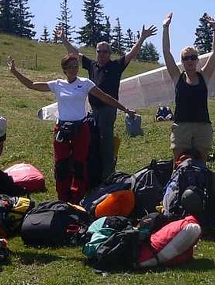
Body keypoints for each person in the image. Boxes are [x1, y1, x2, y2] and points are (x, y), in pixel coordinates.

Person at [7, 53, 137, 203]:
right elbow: (32, 85)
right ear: (64, 69)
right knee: (61, 164)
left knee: (79, 164)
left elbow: (105, 97)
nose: (74, 69)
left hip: (81, 128)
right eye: (70, 67)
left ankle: (77, 197)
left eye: (76, 66)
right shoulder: (57, 84)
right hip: (62, 128)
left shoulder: (85, 83)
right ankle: (63, 197)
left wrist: (125, 109)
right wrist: (15, 72)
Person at [56, 24, 157, 183]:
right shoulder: (92, 66)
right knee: (92, 140)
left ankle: (107, 177)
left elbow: (131, 54)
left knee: (106, 142)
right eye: (99, 51)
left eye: (105, 52)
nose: (102, 54)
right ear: (96, 53)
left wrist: (142, 38)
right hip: (93, 110)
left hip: (108, 110)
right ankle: (94, 173)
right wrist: (63, 39)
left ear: (110, 54)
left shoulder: (116, 66)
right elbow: (74, 53)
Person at [161, 12, 215, 163]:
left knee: (201, 164)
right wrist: (165, 27)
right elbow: (166, 52)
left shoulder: (204, 76)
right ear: (181, 61)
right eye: (185, 58)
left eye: (193, 57)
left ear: (197, 60)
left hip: (203, 127)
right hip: (181, 127)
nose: (189, 61)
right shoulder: (177, 77)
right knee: (178, 164)